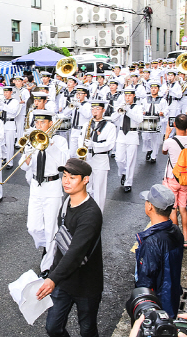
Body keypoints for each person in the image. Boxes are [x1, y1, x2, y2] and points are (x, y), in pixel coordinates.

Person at [36, 159, 103, 337]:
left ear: (85, 180)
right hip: (64, 280)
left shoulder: (91, 214)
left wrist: (52, 279)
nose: (66, 181)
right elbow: (61, 243)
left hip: (87, 284)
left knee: (87, 329)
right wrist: (53, 272)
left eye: (72, 177)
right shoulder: (66, 202)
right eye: (64, 176)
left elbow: (75, 252)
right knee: (53, 327)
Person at [19, 110, 69, 278]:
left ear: (50, 123)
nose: (39, 126)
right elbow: (24, 166)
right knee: (32, 227)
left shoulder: (59, 141)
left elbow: (63, 163)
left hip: (52, 186)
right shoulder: (32, 139)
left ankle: (47, 264)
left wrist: (50, 144)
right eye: (37, 123)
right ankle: (49, 247)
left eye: (42, 123)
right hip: (36, 186)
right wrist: (26, 158)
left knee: (51, 228)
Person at [135, 184, 184, 318]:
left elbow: (145, 280)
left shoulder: (152, 241)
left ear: (150, 206)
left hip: (157, 303)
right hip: (171, 295)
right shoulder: (175, 230)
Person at [162, 114, 187, 248]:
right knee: (183, 208)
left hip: (172, 177)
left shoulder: (170, 141)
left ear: (174, 125)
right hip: (186, 179)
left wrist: (166, 135)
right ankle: (186, 239)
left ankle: (176, 238)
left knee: (173, 209)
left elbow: (164, 152)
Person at [78, 100, 116, 212]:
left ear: (103, 110)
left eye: (97, 109)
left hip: (101, 160)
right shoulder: (86, 125)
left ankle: (98, 214)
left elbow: (110, 145)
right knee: (87, 187)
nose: (94, 111)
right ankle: (87, 212)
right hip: (88, 159)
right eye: (93, 109)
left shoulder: (110, 126)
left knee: (99, 190)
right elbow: (81, 140)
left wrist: (94, 145)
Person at [111, 88, 144, 193]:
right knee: (119, 158)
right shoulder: (120, 105)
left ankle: (128, 183)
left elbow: (139, 119)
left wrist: (128, 111)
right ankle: (124, 172)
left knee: (130, 160)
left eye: (129, 96)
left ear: (134, 96)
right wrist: (119, 111)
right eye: (126, 96)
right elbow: (113, 118)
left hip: (132, 134)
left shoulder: (138, 107)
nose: (127, 98)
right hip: (121, 134)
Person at [141, 82, 168, 164]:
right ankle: (149, 149)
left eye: (155, 88)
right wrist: (143, 112)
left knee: (155, 139)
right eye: (152, 88)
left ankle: (153, 156)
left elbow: (166, 109)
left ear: (158, 89)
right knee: (145, 137)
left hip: (157, 119)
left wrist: (162, 113)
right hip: (147, 119)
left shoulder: (162, 100)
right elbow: (141, 108)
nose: (153, 89)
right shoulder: (146, 99)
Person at [0, 86, 20, 169]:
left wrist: (3, 105)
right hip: (2, 123)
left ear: (11, 92)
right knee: (0, 142)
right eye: (4, 92)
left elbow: (13, 111)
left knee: (10, 144)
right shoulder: (3, 101)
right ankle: (5, 156)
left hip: (10, 124)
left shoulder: (15, 102)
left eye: (7, 92)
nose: (5, 94)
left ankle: (9, 162)